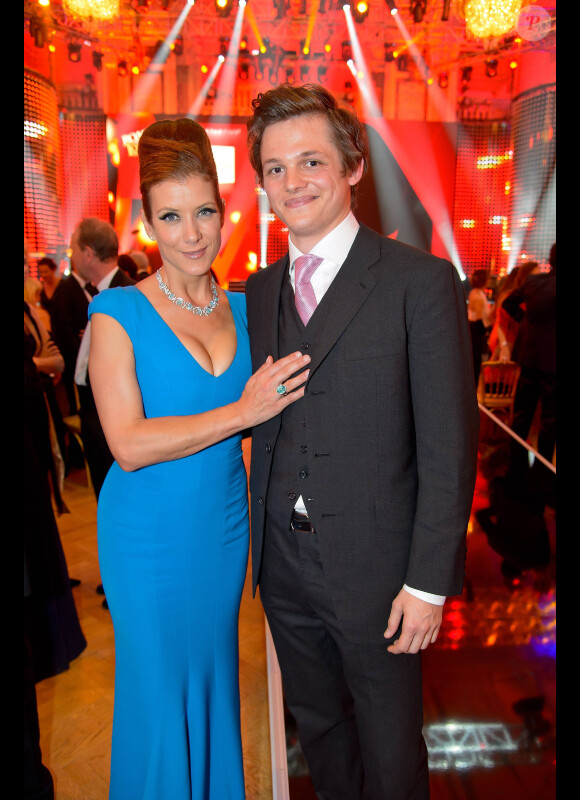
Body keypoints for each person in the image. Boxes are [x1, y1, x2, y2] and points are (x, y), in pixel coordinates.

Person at [245, 84, 480, 799]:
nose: (293, 183)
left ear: (351, 166)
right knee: (319, 730)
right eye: (276, 168)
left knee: (390, 749)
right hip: (282, 564)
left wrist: (428, 582)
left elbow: (450, 444)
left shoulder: (421, 281)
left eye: (311, 162)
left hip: (381, 573)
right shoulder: (257, 291)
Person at [87, 118, 310, 800]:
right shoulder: (116, 314)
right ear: (147, 221)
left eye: (204, 211)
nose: (192, 233)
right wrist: (243, 412)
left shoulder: (250, 310)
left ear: (224, 208)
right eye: (171, 216)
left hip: (222, 530)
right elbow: (127, 443)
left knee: (214, 678)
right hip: (145, 537)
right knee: (158, 694)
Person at [70, 218, 136, 498]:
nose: (70, 255)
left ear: (88, 252)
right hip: (96, 421)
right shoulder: (101, 294)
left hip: (112, 426)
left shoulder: (130, 295)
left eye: (73, 248)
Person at [502, 244, 556, 490]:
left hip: (529, 356)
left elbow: (508, 304)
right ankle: (542, 475)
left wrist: (525, 323)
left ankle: (515, 470)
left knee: (522, 414)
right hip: (553, 363)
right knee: (550, 419)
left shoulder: (534, 282)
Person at [487, 262, 539, 362]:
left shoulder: (534, 298)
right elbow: (500, 323)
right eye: (534, 277)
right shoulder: (509, 298)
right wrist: (504, 346)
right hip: (509, 345)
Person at [467, 268, 492, 387]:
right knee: (475, 361)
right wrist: (486, 330)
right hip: (476, 330)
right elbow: (479, 316)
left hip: (476, 329)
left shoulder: (477, 292)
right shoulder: (477, 293)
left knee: (476, 361)